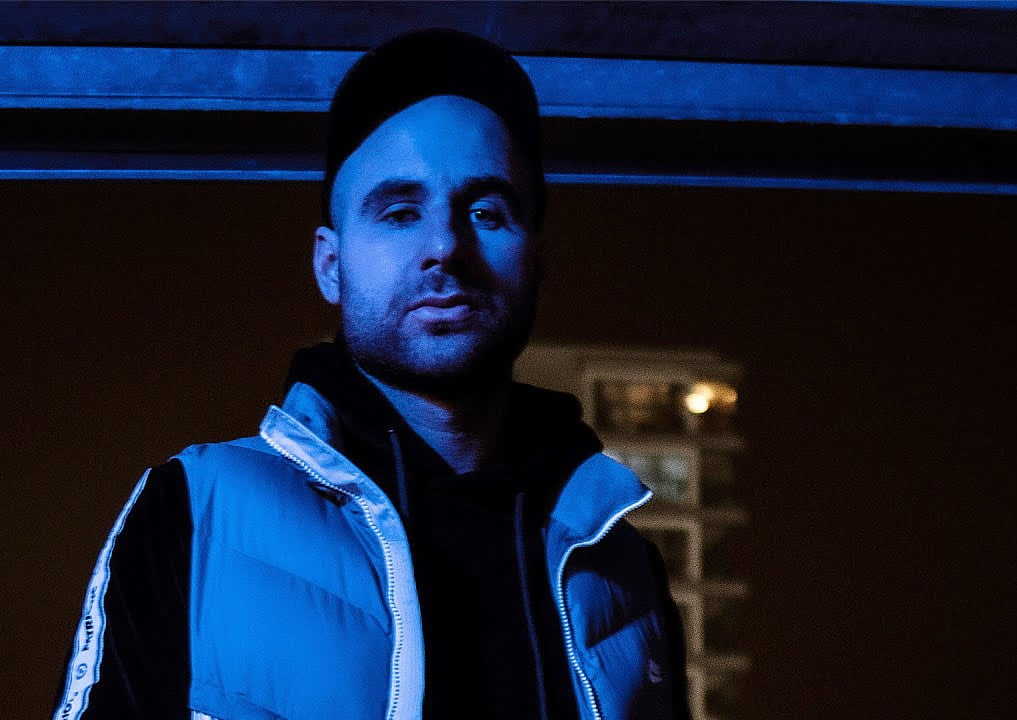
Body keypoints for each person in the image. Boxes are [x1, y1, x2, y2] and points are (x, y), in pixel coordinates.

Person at [53, 28, 691, 720]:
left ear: (537, 262)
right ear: (330, 264)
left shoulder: (621, 568)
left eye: (486, 212)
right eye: (400, 213)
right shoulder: (196, 507)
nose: (445, 246)